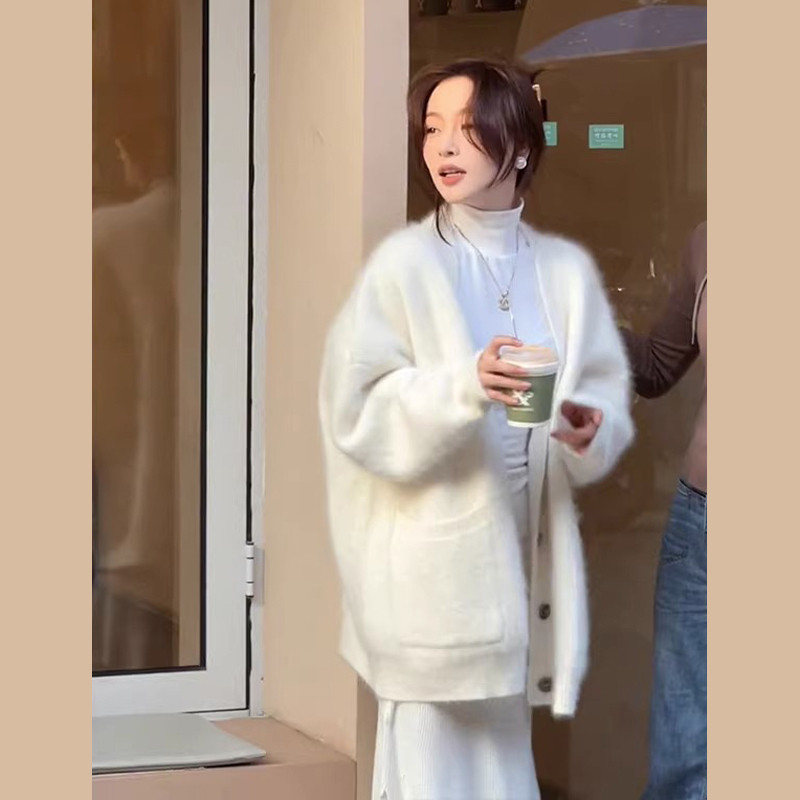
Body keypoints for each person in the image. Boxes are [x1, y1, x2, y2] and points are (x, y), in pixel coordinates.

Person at [319, 59, 634, 800]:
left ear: (519, 146)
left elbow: (599, 405)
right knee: (433, 772)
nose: (444, 147)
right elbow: (355, 411)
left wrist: (588, 429)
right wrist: (466, 385)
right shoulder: (407, 265)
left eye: (468, 128)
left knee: (501, 772)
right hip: (433, 579)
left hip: (521, 569)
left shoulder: (561, 271)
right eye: (433, 130)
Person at [621, 222, 707, 800]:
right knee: (682, 762)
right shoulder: (709, 241)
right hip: (700, 527)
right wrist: (580, 317)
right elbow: (655, 366)